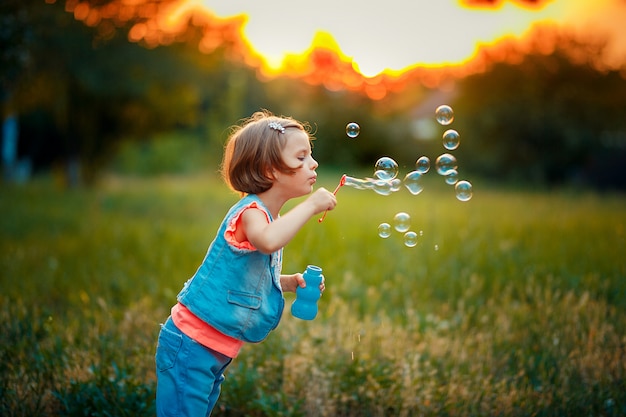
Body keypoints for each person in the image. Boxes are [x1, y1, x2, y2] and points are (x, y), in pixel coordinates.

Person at [155, 110, 337, 416]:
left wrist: (290, 283)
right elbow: (268, 240)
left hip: (211, 350)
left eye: (311, 156)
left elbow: (247, 279)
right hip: (190, 345)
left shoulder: (270, 217)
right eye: (301, 157)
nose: (313, 163)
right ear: (270, 170)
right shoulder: (251, 212)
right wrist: (311, 205)